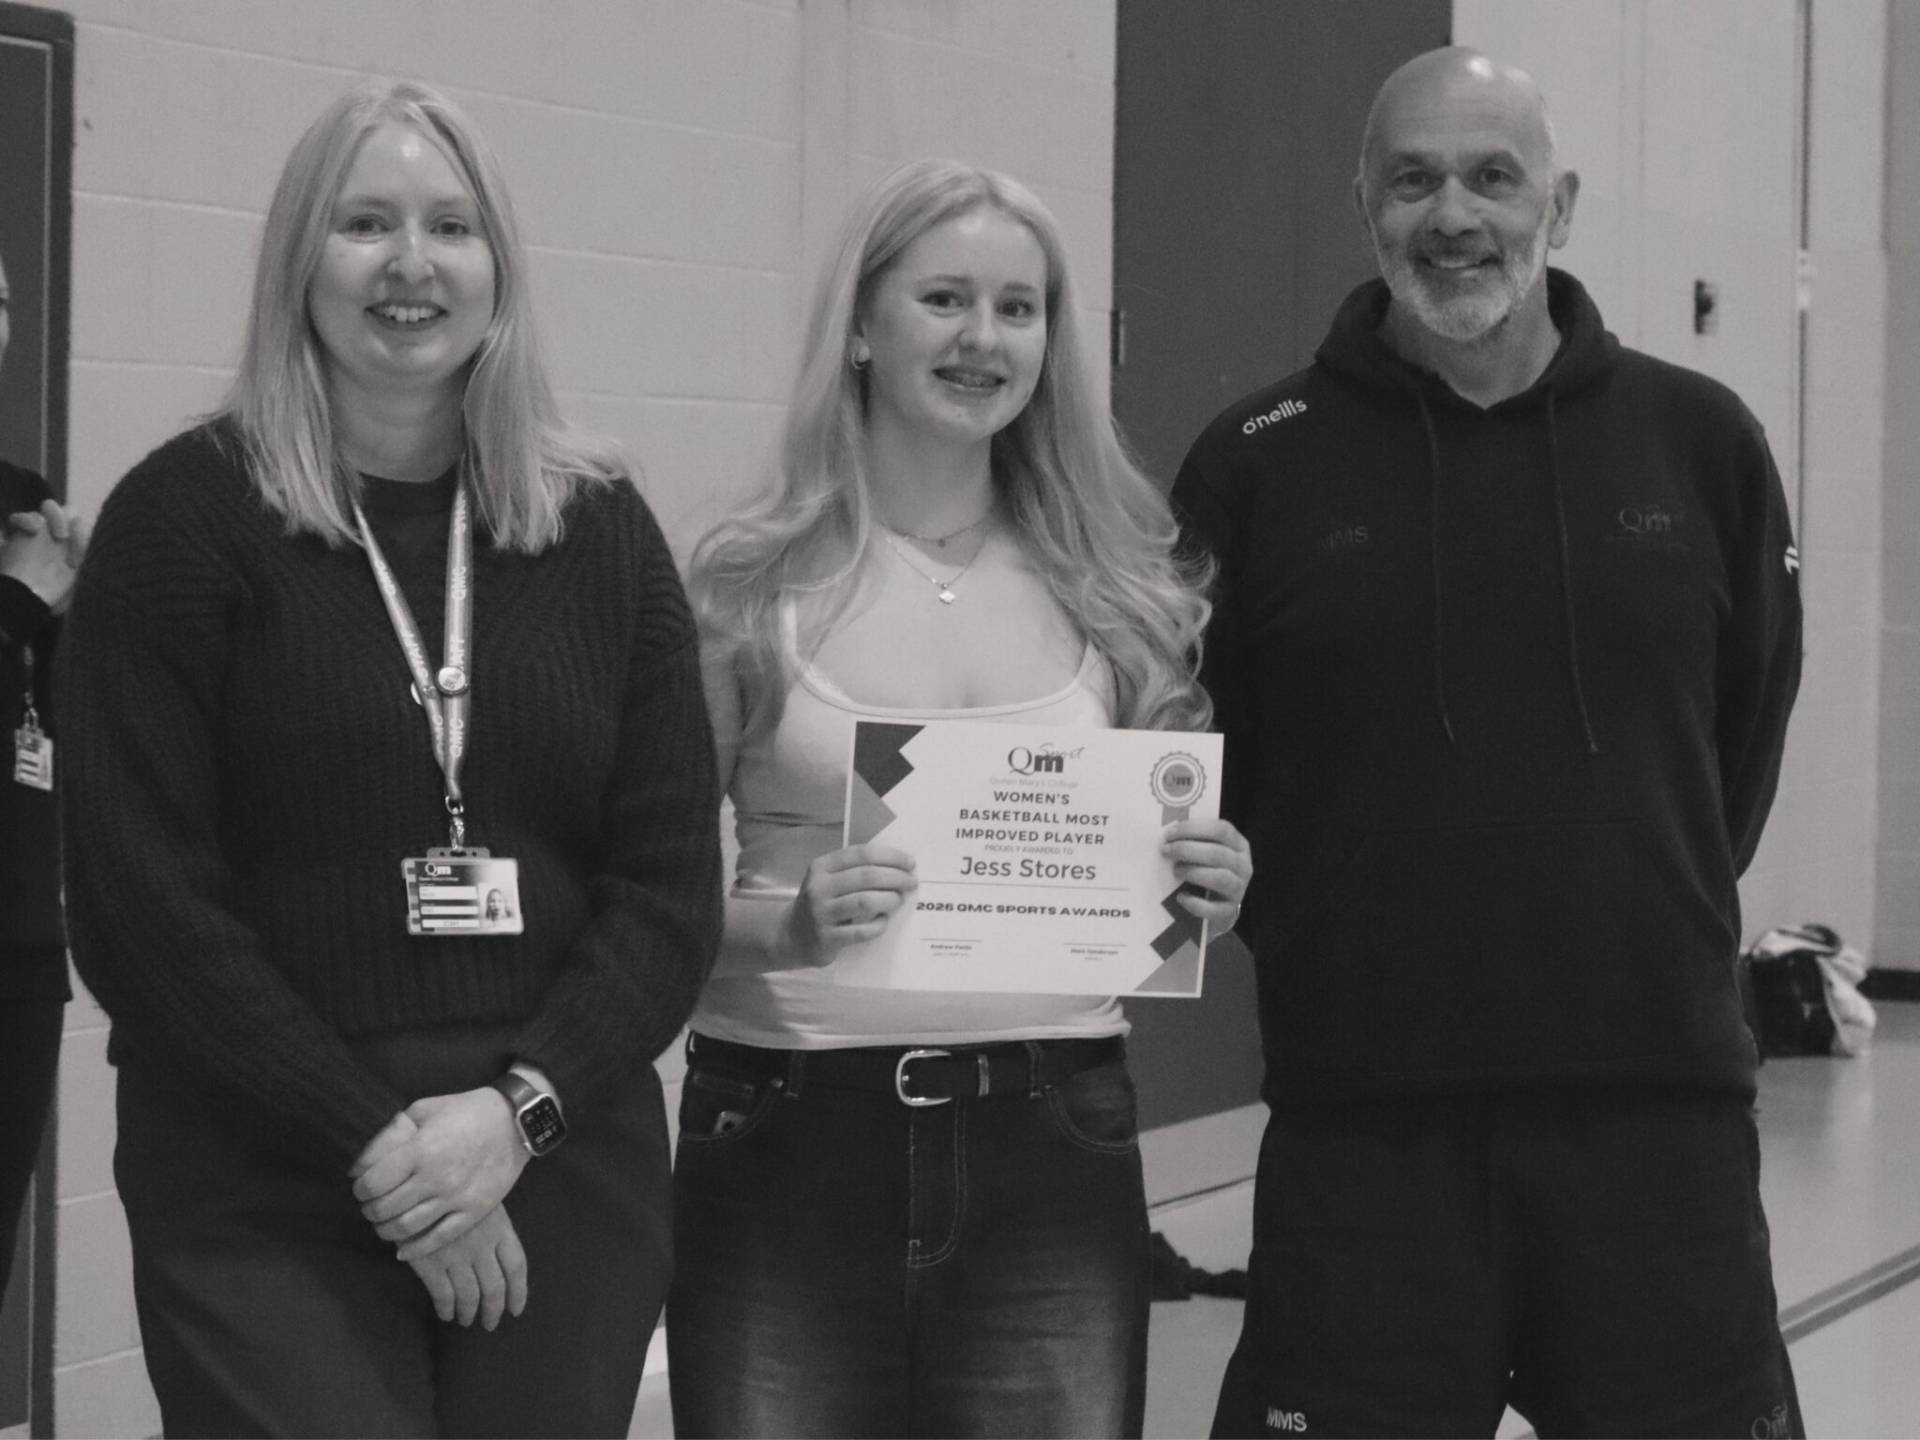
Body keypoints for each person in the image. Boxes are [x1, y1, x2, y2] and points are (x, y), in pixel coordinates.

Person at [58, 79, 720, 1438]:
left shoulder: (599, 533)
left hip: (552, 1145)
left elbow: (666, 890)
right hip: (261, 1152)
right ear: (298, 260)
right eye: (365, 223)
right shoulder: (180, 524)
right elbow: (140, 904)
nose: (411, 263)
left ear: (499, 269)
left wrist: (514, 1118)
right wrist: (380, 1148)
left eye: (451, 227)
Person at [1178, 47, 1806, 1439]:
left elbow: (1737, 742)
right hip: (1366, 1127)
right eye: (1413, 181)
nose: (1452, 215)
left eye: (1492, 177)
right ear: (1366, 207)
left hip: (1657, 1121)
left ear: (1559, 207)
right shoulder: (1255, 461)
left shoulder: (1702, 442)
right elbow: (1203, 755)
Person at [671, 158, 1253, 1439]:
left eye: (1018, 307)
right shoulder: (745, 586)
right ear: (862, 327)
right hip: (787, 1126)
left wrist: (1206, 888)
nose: (984, 338)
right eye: (944, 299)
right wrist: (792, 927)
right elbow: (642, 916)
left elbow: (1162, 893)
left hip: (1054, 1134)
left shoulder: (1116, 588)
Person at [1, 245, 88, 1310]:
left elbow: (57, 725)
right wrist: (18, 604)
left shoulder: (23, 503)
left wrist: (77, 620)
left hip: (18, 946)